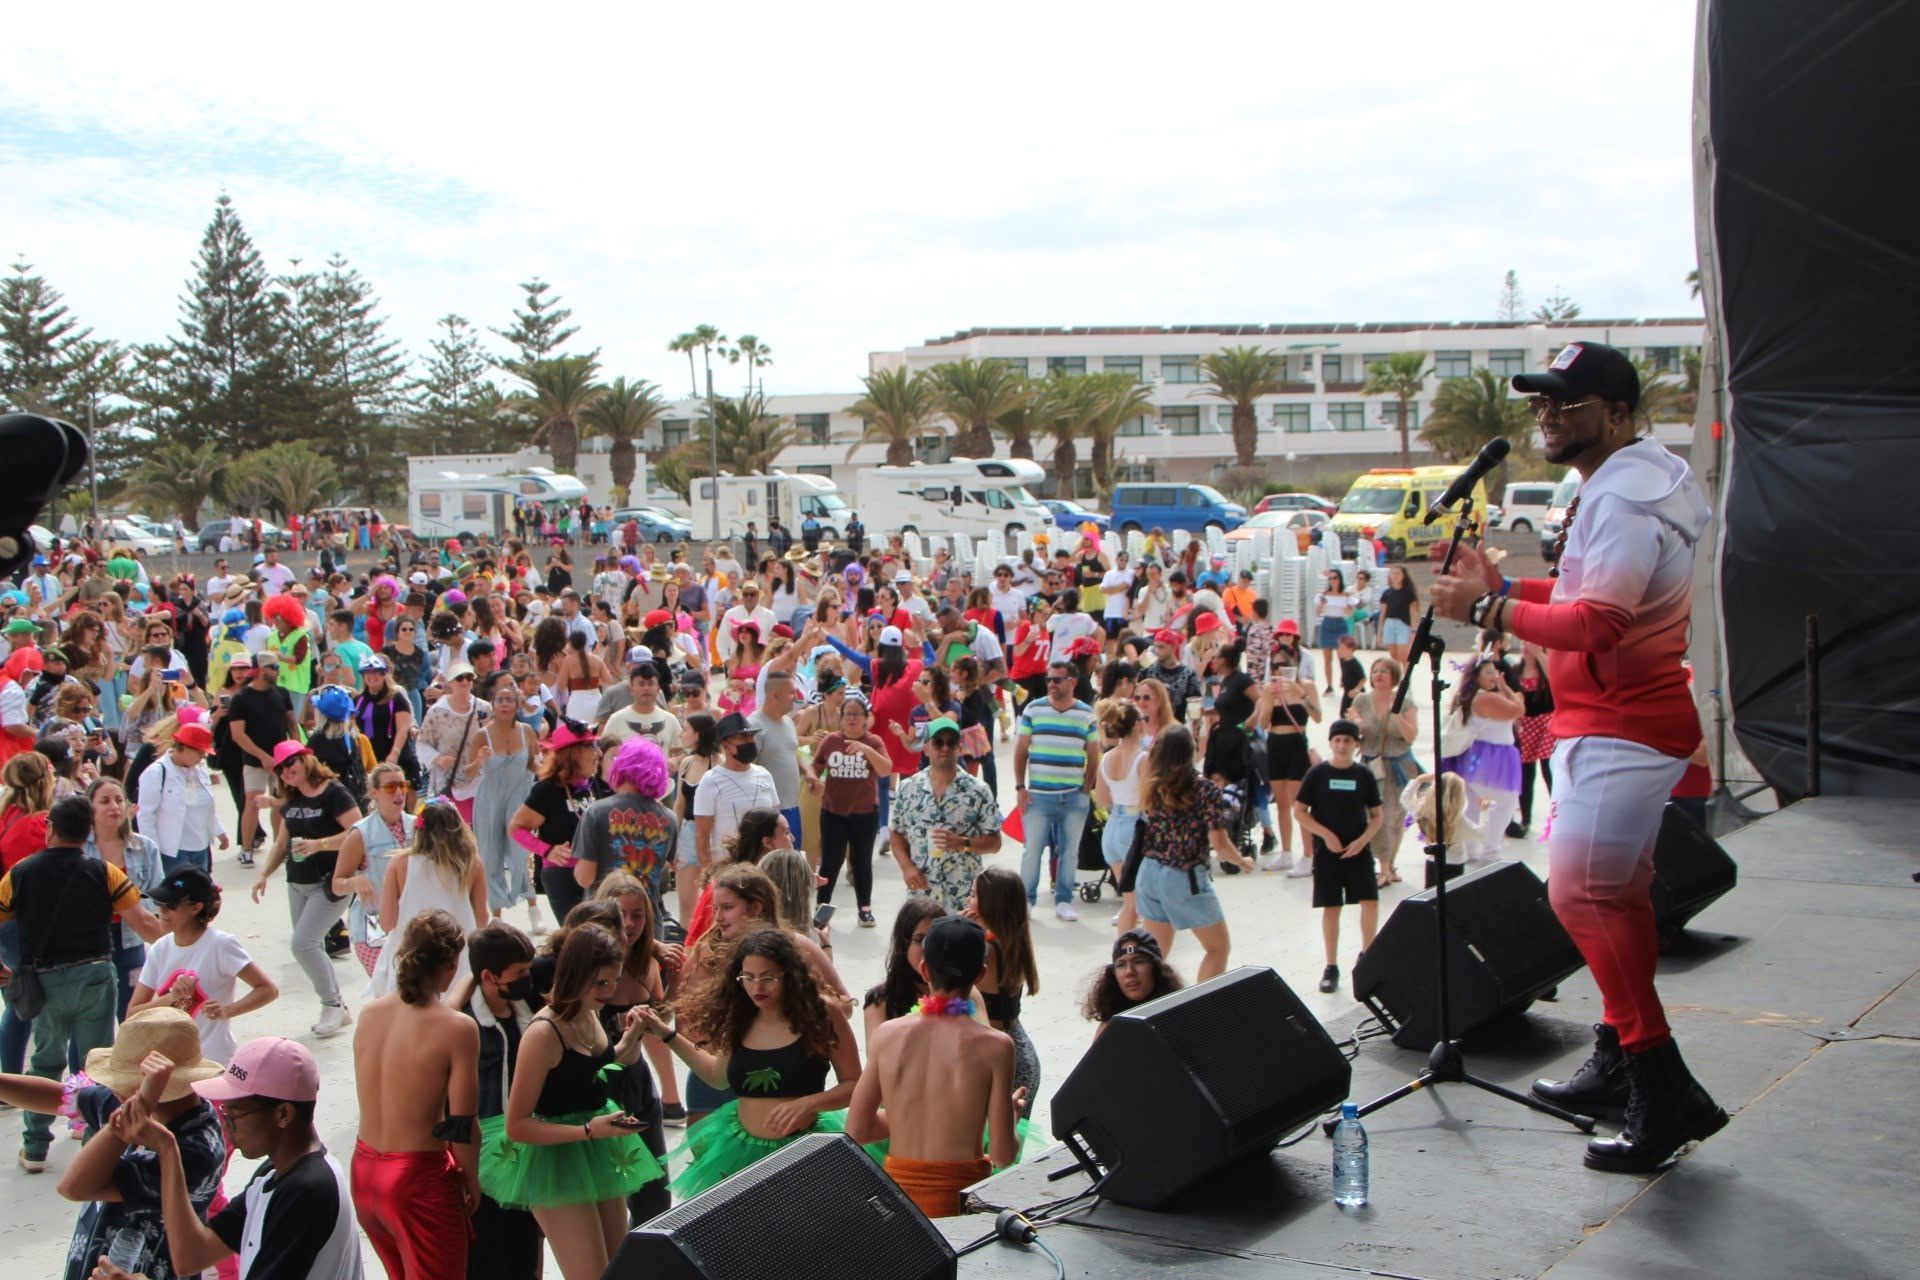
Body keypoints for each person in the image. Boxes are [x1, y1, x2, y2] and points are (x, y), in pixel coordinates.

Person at [1432, 341, 1724, 1172]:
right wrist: (1516, 590)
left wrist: (1489, 608)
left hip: (1624, 721)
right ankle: (1619, 1058)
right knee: (1614, 897)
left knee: (1583, 894)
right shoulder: (1626, 483)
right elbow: (1585, 598)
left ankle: (1663, 1089)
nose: (1548, 417)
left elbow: (1601, 623)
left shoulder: (1626, 498)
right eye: (1541, 404)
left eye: (1569, 403)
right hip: (1605, 717)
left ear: (1620, 415)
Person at [483, 924, 662, 1280]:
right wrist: (587, 1130)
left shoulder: (589, 1012)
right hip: (556, 1159)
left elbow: (600, 1066)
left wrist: (633, 1037)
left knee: (616, 1269)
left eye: (614, 982)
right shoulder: (543, 1033)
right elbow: (517, 1125)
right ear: (575, 974)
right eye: (600, 983)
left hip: (596, 1147)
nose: (609, 992)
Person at [0, 1007, 227, 1280]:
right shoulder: (139, 1106)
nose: (112, 1088)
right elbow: (63, 1098)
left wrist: (131, 1114)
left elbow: (74, 1187)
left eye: (121, 1081)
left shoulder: (196, 1149)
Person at [1, 795, 164, 1172]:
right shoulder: (104, 871)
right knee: (96, 1064)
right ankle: (95, 1142)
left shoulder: (20, 873)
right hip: (95, 974)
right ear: (87, 831)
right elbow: (142, 924)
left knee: (45, 1061)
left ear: (50, 829)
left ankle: (36, 1147)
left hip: (45, 980)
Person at [637, 927, 861, 1199]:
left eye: (768, 978)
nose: (757, 988)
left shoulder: (821, 1012)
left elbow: (853, 1083)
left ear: (790, 975)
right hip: (740, 1151)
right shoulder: (740, 1014)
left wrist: (810, 1102)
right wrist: (666, 1033)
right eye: (748, 978)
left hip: (805, 1148)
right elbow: (717, 1076)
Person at [135, 1035, 366, 1280]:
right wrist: (168, 1151)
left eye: (234, 1112)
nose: (226, 1124)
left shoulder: (308, 1190)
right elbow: (192, 1256)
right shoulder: (274, 1172)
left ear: (283, 1114)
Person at [847, 915, 1016, 1218]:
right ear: (980, 975)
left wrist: (906, 1115)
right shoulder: (997, 1046)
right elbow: (1003, 1155)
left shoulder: (887, 1035)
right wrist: (1011, 1118)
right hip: (959, 1199)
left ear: (925, 969)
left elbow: (857, 1130)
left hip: (899, 1199)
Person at [352, 910, 481, 1280]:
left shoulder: (370, 1014)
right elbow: (462, 1123)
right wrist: (471, 1177)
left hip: (364, 1173)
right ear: (451, 964)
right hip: (417, 1178)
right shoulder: (458, 1030)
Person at [250, 740, 361, 1038]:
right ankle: (338, 1008)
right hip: (296, 882)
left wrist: (320, 845)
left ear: (306, 760)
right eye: (281, 768)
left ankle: (332, 1005)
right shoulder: (292, 798)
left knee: (303, 944)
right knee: (311, 946)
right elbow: (281, 843)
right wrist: (263, 874)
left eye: (291, 764)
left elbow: (358, 832)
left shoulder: (334, 793)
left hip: (330, 883)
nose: (286, 772)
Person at [454, 922, 543, 1280]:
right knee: (487, 1255)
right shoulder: (463, 1020)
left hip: (526, 1148)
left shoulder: (529, 1007)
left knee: (525, 1245)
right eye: (519, 973)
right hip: (482, 1156)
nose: (527, 979)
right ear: (489, 976)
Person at [1132, 727, 1249, 982]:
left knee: (1154, 959)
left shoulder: (1152, 785)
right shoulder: (1205, 790)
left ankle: (1144, 1013)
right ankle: (1201, 1013)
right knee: (1218, 948)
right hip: (1182, 876)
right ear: (1192, 751)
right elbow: (1219, 842)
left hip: (1149, 873)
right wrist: (1241, 860)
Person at [129, 865, 277, 1064]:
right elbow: (133, 1013)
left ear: (196, 907)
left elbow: (267, 989)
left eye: (170, 905)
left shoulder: (221, 945)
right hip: (169, 1062)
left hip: (213, 1060)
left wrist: (227, 1010)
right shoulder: (159, 949)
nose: (161, 911)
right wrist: (172, 998)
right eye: (159, 903)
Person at [1294, 719, 1384, 994]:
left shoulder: (1363, 775)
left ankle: (1368, 956)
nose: (1342, 745)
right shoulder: (1317, 774)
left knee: (1369, 902)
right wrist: (1325, 835)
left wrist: (1362, 841)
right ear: (1331, 743)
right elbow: (1299, 811)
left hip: (1358, 850)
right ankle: (1331, 965)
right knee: (1331, 907)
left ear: (1356, 744)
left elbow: (1377, 815)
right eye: (1338, 740)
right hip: (1328, 853)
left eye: (1348, 740)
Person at [366, 802, 488, 1001]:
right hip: (457, 955)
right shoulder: (471, 864)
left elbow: (388, 922)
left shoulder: (400, 863)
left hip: (409, 953)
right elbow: (481, 919)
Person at [888, 717, 1002, 915]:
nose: (945, 748)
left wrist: (963, 843)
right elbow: (896, 834)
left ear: (959, 748)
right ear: (926, 748)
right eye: (938, 742)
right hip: (922, 896)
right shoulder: (909, 788)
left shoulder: (978, 790)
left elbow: (995, 842)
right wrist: (907, 867)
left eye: (951, 743)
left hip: (962, 899)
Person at [1013, 659, 1098, 920]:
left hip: (1073, 796)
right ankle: (1026, 900)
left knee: (1069, 851)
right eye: (1049, 679)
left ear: (1072, 682)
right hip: (1038, 795)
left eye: (1057, 679)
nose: (1051, 684)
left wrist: (1085, 788)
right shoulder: (1033, 710)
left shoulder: (1086, 713)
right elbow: (1021, 750)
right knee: (1032, 850)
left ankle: (1063, 899)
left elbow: (1093, 754)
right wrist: (1020, 786)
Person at [805, 692, 891, 926]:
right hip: (833, 813)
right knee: (831, 863)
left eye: (857, 714)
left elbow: (885, 770)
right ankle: (822, 911)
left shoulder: (874, 742)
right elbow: (814, 766)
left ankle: (865, 909)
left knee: (861, 862)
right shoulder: (831, 741)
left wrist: (866, 750)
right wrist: (814, 780)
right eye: (847, 714)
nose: (852, 719)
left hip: (865, 814)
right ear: (840, 718)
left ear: (866, 718)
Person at [508, 718, 602, 925]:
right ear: (572, 753)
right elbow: (515, 828)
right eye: (591, 747)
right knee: (575, 936)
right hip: (562, 875)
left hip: (593, 871)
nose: (598, 753)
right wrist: (547, 850)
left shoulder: (590, 784)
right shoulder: (547, 790)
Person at [965, 868, 1040, 1118]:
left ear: (990, 904)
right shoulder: (1011, 940)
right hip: (1020, 1052)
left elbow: (992, 1026)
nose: (968, 901)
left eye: (974, 895)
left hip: (1004, 1060)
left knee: (996, 1145)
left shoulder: (987, 950)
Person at [572, 735, 677, 910]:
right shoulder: (669, 818)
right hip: (646, 919)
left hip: (603, 916)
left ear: (621, 768)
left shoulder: (596, 812)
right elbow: (664, 868)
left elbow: (585, 878)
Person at [331, 764, 416, 976]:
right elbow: (337, 884)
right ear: (374, 793)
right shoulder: (361, 834)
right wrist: (354, 882)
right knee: (389, 992)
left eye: (402, 786)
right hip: (373, 927)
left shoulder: (418, 827)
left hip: (413, 923)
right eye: (390, 787)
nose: (398, 792)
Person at [1438, 657, 1524, 865]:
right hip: (1490, 757)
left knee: (1473, 803)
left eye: (1495, 672)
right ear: (1476, 676)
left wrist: (1502, 689)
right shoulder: (1484, 698)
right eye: (1488, 672)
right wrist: (1507, 689)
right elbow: (1519, 710)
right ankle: (1490, 850)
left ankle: (1471, 849)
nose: (1494, 676)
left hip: (1477, 757)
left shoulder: (1475, 696)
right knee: (1507, 801)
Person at [471, 672, 541, 926]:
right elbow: (468, 772)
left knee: (520, 852)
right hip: (490, 799)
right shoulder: (482, 735)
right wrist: (479, 761)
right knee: (490, 855)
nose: (503, 704)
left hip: (518, 797)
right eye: (499, 700)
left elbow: (534, 764)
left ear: (516, 705)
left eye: (509, 700)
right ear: (493, 704)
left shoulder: (527, 733)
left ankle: (533, 905)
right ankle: (497, 915)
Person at [1349, 657, 1421, 886]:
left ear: (1394, 677)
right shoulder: (1361, 700)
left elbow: (1411, 736)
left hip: (1398, 766)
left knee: (1393, 817)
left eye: (1384, 671)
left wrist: (1397, 716)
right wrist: (1357, 723)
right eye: (1375, 671)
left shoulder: (1406, 703)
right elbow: (1354, 729)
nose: (1378, 675)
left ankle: (1388, 865)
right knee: (1372, 816)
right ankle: (1383, 865)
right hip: (1370, 765)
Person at [692, 711, 781, 880]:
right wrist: (710, 876)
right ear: (726, 744)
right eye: (743, 738)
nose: (750, 742)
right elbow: (702, 835)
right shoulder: (711, 781)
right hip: (727, 873)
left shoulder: (764, 775)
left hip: (763, 870)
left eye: (751, 737)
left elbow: (776, 823)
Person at [223, 652, 295, 857]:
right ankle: (246, 849)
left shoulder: (282, 693)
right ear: (262, 670)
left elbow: (290, 722)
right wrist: (263, 757)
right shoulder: (242, 698)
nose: (277, 671)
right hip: (255, 761)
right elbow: (238, 735)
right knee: (252, 802)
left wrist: (294, 748)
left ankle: (279, 847)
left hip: (282, 760)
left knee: (280, 803)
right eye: (274, 667)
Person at [136, 720, 229, 877]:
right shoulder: (156, 773)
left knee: (201, 897)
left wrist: (219, 832)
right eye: (199, 752)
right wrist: (153, 851)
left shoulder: (200, 770)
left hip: (201, 848)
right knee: (178, 899)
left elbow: (207, 806)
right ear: (182, 747)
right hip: (173, 852)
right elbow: (145, 816)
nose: (202, 757)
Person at [1265, 621, 1322, 877]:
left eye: (1284, 665)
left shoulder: (1306, 685)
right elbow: (1265, 722)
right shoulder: (1269, 689)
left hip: (1297, 743)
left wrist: (1301, 695)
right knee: (1281, 802)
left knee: (1300, 802)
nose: (1279, 670)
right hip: (1275, 743)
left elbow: (1318, 716)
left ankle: (1308, 854)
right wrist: (1269, 699)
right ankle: (1286, 851)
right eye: (1275, 665)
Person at [1094, 699, 1147, 934]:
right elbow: (1149, 799)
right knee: (1136, 902)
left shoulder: (1106, 758)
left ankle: (1123, 951)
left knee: (1129, 901)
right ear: (1137, 724)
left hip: (1113, 825)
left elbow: (1103, 799)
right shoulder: (1142, 758)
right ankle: (1131, 951)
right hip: (1134, 825)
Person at [861, 898, 947, 1040]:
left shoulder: (964, 993)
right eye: (920, 940)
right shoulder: (881, 1001)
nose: (929, 949)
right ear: (904, 944)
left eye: (937, 939)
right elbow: (877, 1057)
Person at [1082, 928, 1184, 1029]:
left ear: (1156, 968)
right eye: (1121, 965)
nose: (1129, 972)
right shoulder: (1110, 1027)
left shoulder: (1179, 1016)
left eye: (1138, 962)